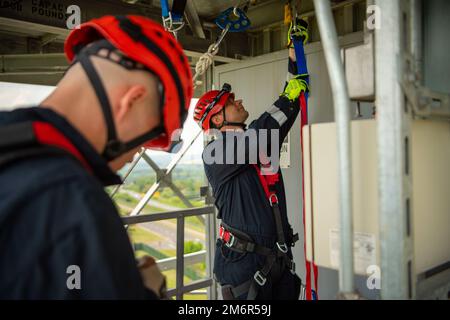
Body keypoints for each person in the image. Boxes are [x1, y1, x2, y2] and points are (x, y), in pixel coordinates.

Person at [0, 15, 192, 299]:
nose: (135, 153)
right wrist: (147, 291)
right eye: (147, 137)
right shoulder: (74, 202)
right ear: (131, 101)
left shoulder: (10, 141)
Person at [193, 19, 309, 300]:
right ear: (217, 118)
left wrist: (295, 53)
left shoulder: (257, 140)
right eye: (231, 101)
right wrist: (288, 95)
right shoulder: (215, 153)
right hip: (244, 267)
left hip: (277, 262)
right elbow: (264, 129)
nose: (240, 101)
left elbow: (287, 110)